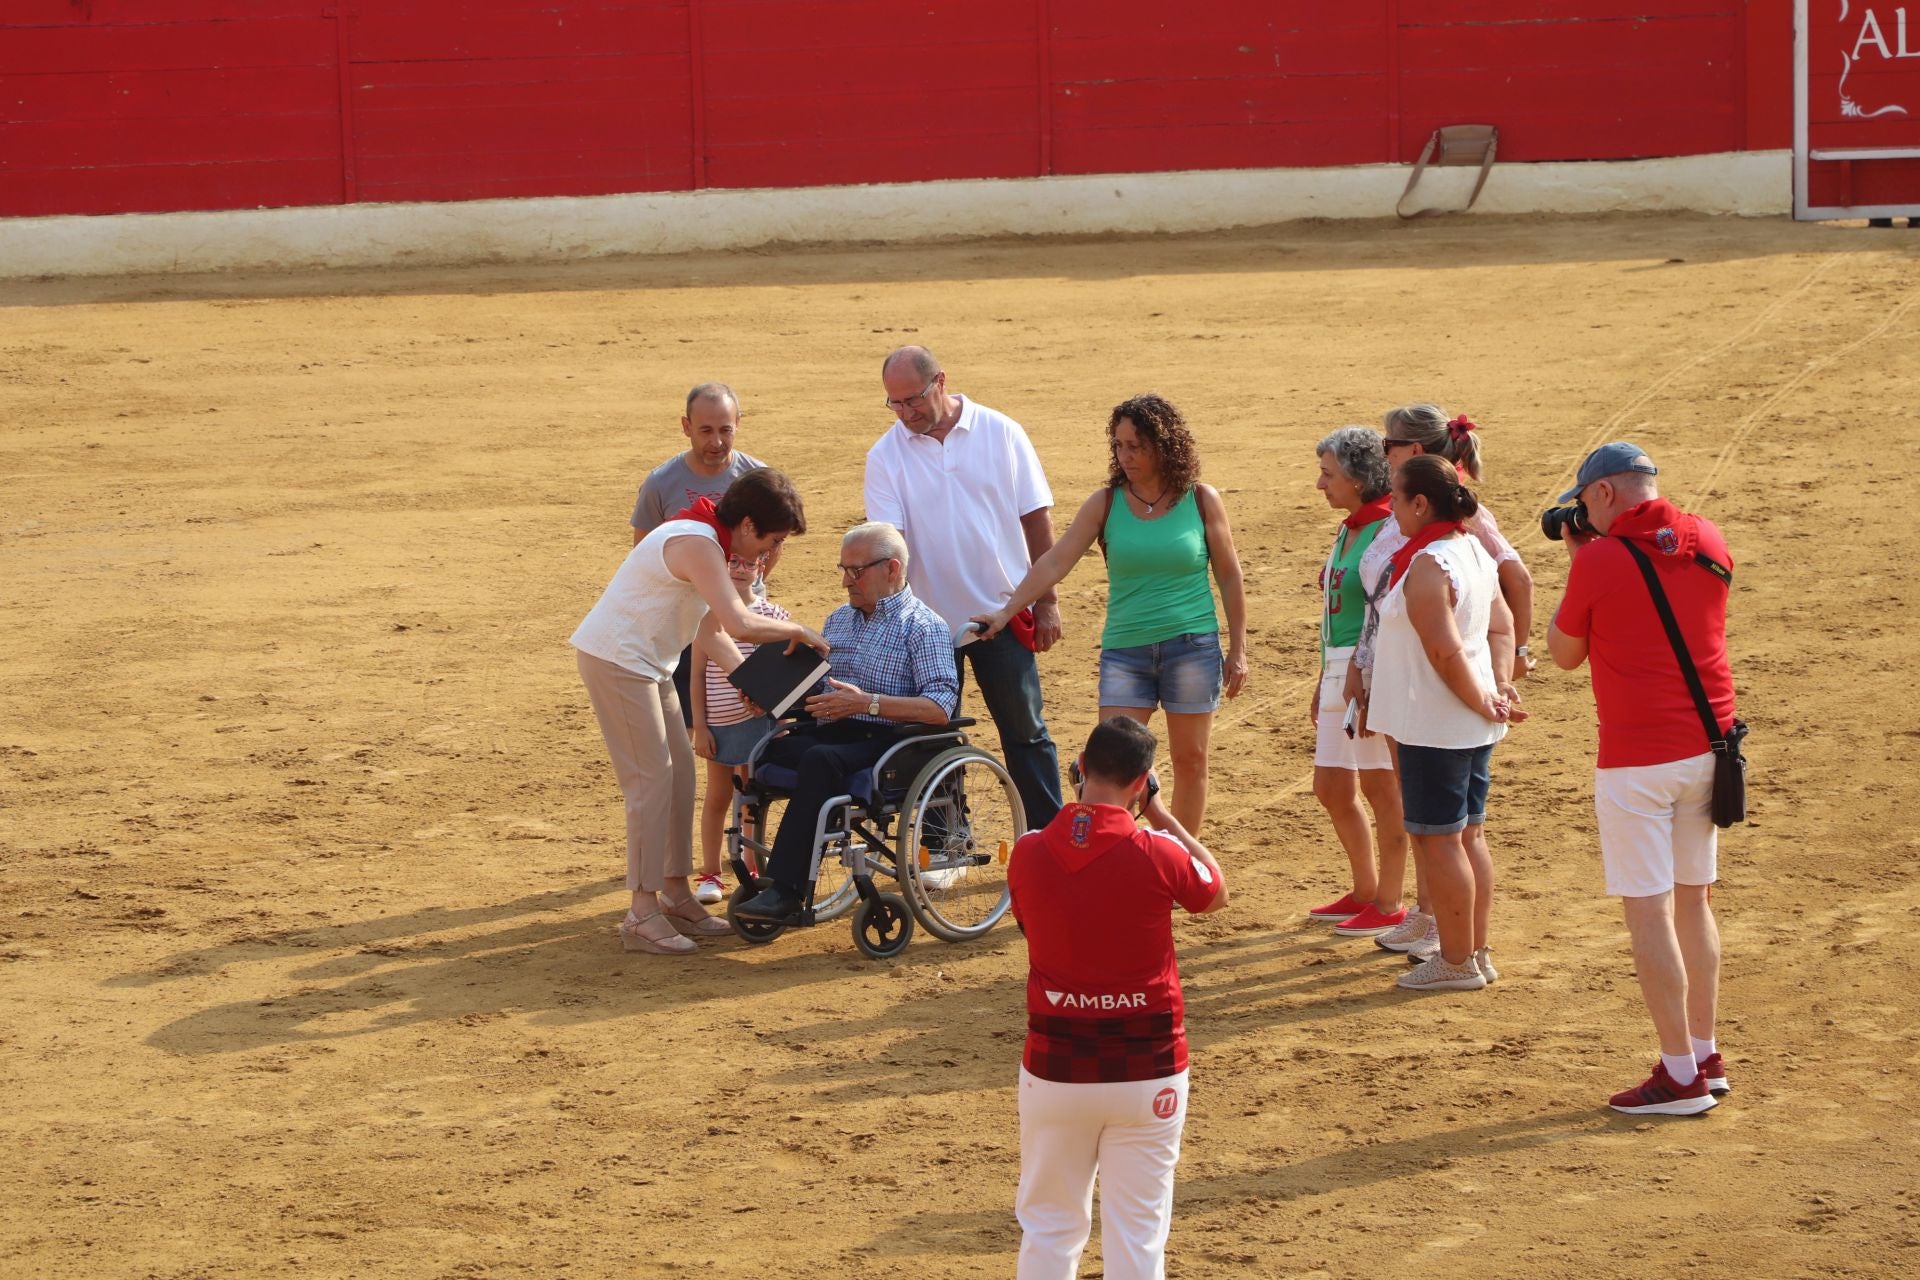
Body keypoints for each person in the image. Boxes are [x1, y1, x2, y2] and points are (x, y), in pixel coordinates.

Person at [1547, 442, 1735, 1116]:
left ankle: (1679, 1074)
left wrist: (1582, 567)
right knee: (1695, 901)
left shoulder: (1598, 559)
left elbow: (1564, 655)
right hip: (1711, 747)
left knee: (1649, 908)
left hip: (1638, 761)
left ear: (1601, 496)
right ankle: (1705, 1054)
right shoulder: (1707, 535)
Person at [572, 467, 826, 955]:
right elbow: (739, 622)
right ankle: (641, 914)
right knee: (651, 781)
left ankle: (675, 892)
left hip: (649, 665)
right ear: (748, 524)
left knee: (681, 774)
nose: (768, 555)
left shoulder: (709, 541)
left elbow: (711, 631)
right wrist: (797, 631)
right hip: (618, 661)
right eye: (770, 541)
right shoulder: (699, 544)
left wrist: (752, 682)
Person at [1009, 717, 1227, 1280]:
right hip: (1148, 1070)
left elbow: (1032, 925)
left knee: (1050, 1229)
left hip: (1056, 1072)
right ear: (1143, 781)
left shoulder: (1028, 853)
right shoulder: (1156, 849)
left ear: (1079, 768)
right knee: (1138, 1235)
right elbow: (1214, 887)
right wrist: (1157, 813)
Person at [973, 393, 1247, 835]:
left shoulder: (1201, 500)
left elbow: (1230, 577)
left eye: (1137, 445)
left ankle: (1179, 857)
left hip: (1191, 645)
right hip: (1127, 649)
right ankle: (1106, 850)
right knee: (1108, 764)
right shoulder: (1105, 503)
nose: (1126, 455)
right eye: (1119, 445)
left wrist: (1238, 650)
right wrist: (1007, 612)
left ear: (1165, 444)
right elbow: (1055, 561)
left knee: (1190, 758)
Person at [865, 346, 1065, 831]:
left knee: (1027, 732)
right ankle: (943, 843)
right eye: (894, 404)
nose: (906, 413)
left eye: (913, 399)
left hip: (1002, 613)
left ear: (940, 382)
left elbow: (1036, 520)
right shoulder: (885, 456)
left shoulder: (1002, 432)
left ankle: (1049, 837)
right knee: (929, 736)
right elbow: (892, 549)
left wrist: (1047, 601)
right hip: (929, 627)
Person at [734, 523, 961, 923]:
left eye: (856, 571)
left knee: (822, 761)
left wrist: (868, 704)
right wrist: (772, 701)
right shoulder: (839, 620)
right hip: (839, 730)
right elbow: (819, 690)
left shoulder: (924, 627)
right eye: (843, 569)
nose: (845, 582)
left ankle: (787, 889)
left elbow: (942, 707)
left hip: (895, 740)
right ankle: (769, 877)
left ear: (892, 569)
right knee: (774, 746)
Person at [1367, 455, 1524, 993]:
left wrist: (1485, 696)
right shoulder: (1474, 551)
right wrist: (1497, 688)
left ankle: (1456, 963)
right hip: (1467, 722)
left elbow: (1443, 649)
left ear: (1420, 503)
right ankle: (1474, 954)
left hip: (1434, 724)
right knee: (1468, 836)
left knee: (1442, 843)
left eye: (1396, 495)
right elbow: (1501, 630)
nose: (1389, 505)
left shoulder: (1431, 563)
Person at [1302, 426, 1409, 936]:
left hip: (1366, 669)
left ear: (1359, 479)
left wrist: (1359, 677)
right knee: (1331, 786)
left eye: (1329, 474)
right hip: (1339, 667)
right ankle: (1366, 888)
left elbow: (1381, 616)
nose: (1320, 484)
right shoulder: (1351, 526)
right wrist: (1324, 675)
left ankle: (1389, 902)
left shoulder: (1386, 528)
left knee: (1380, 786)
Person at [630, 382, 772, 732]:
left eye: (725, 430)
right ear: (686, 426)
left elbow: (772, 546)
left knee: (746, 720)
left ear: (739, 422)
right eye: (705, 430)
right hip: (681, 624)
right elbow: (643, 553)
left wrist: (739, 587)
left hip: (741, 621)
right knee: (691, 726)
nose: (716, 442)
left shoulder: (758, 480)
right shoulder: (661, 483)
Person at [1380, 404, 1536, 680]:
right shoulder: (1403, 506)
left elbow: (1519, 580)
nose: (1386, 454)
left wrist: (1517, 654)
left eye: (1389, 443)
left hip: (1448, 666)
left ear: (1415, 450)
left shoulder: (1466, 515)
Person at [688, 548, 788, 903]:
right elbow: (697, 675)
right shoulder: (707, 617)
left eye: (750, 563)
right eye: (733, 562)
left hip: (758, 727)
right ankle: (711, 873)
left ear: (762, 567)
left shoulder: (774, 616)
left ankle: (752, 866)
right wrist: (699, 727)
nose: (741, 569)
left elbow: (782, 674)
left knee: (751, 798)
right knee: (716, 797)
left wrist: (779, 718)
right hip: (718, 727)